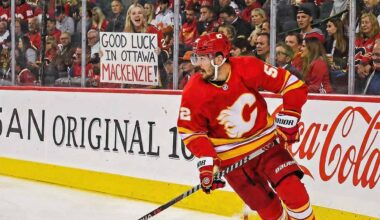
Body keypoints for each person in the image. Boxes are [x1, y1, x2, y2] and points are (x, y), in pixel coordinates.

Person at [177, 32, 314, 220]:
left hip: (267, 145)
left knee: (294, 192)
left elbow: (293, 85)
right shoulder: (193, 90)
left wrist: (291, 114)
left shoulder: (248, 66)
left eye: (202, 58)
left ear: (219, 58)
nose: (197, 64)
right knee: (269, 211)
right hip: (232, 161)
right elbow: (191, 131)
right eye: (197, 58)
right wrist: (208, 164)